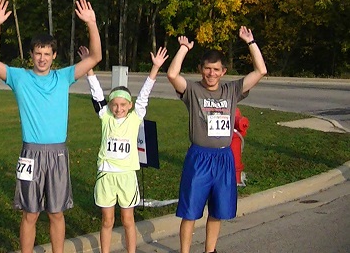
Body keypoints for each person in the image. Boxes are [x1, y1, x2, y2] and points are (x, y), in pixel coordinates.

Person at [0, 0, 102, 253]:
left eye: (47, 54)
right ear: (32, 54)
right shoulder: (19, 78)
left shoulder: (63, 76)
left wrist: (91, 23)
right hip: (30, 154)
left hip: (57, 154)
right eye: (38, 53)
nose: (42, 58)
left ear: (54, 55)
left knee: (57, 214)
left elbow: (95, 57)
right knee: (30, 214)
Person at [166, 26, 267, 253]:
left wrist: (251, 42)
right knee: (190, 211)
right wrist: (183, 49)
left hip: (223, 157)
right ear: (201, 69)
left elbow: (260, 70)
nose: (211, 74)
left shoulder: (232, 90)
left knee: (217, 211)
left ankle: (210, 250)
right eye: (207, 69)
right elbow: (172, 75)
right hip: (199, 157)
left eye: (216, 70)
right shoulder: (192, 91)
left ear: (223, 71)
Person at [78, 46, 168, 253]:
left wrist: (155, 68)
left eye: (123, 105)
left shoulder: (135, 118)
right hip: (106, 175)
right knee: (107, 220)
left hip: (127, 176)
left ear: (130, 105)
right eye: (115, 104)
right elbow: (97, 94)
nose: (118, 109)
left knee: (128, 220)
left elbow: (145, 94)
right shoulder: (106, 117)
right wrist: (89, 69)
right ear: (110, 105)